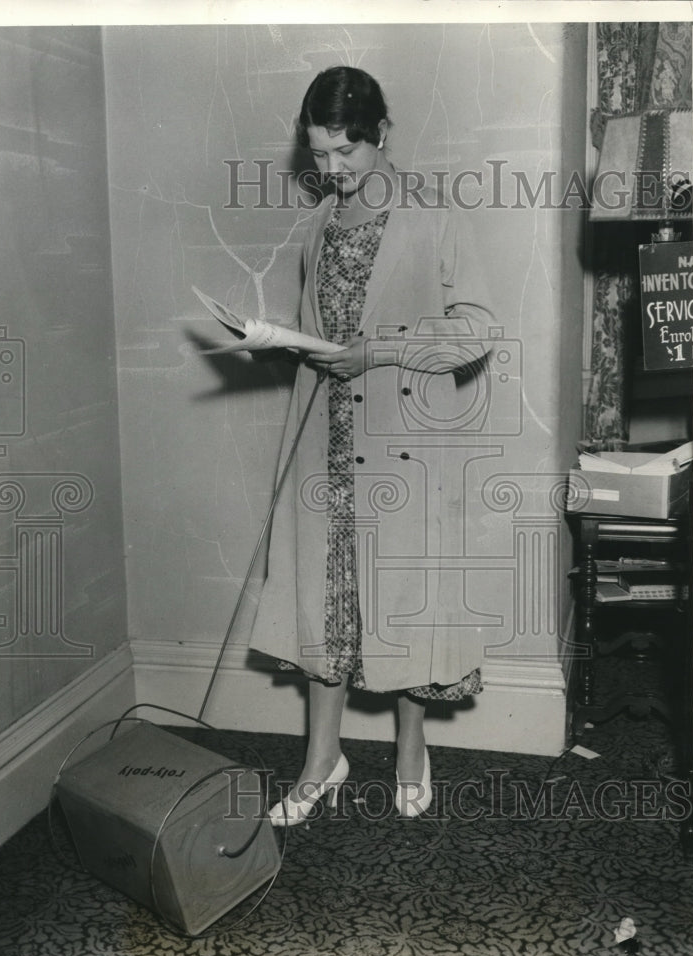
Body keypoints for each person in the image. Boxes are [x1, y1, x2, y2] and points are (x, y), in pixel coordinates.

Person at [249, 66, 495, 825]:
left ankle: (411, 750)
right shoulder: (322, 223)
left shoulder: (433, 217)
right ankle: (322, 758)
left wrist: (382, 350)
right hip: (327, 433)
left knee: (403, 600)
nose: (331, 172)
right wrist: (276, 342)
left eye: (345, 155)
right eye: (319, 155)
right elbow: (322, 332)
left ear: (381, 135)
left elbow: (478, 330)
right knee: (330, 599)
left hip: (408, 442)